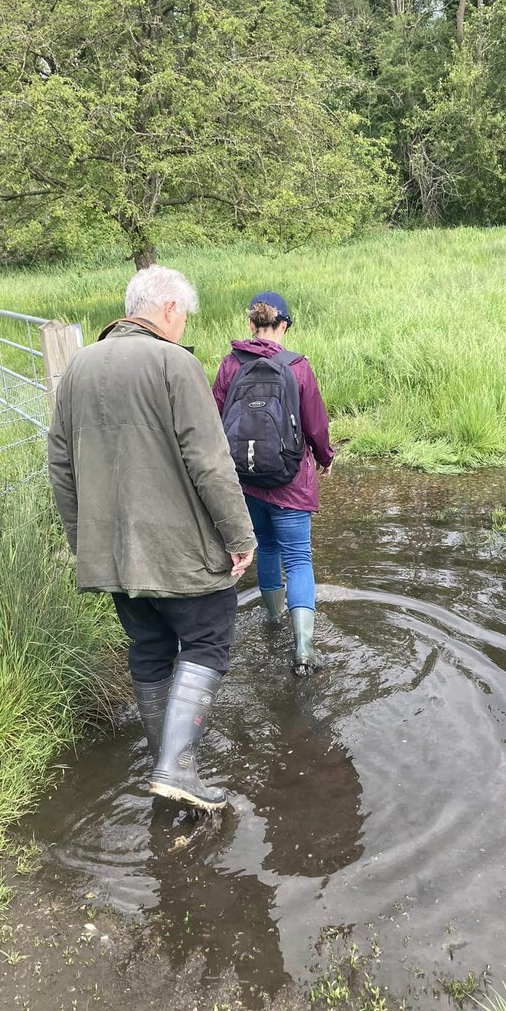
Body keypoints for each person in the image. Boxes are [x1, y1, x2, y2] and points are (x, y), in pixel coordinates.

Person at [47, 265, 256, 811]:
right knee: (208, 640)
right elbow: (209, 461)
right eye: (183, 315)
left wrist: (84, 542)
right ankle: (177, 766)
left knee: (150, 649)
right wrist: (240, 535)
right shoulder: (175, 363)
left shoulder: (78, 368)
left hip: (114, 556)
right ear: (166, 310)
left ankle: (165, 760)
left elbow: (61, 467)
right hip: (181, 554)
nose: (183, 325)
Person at [213, 291, 333, 674]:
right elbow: (315, 424)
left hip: (245, 480)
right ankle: (303, 649)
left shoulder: (230, 365)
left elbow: (215, 420)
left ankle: (272, 621)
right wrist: (325, 457)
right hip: (290, 480)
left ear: (251, 324)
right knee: (298, 558)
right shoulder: (297, 367)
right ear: (284, 325)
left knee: (265, 547)